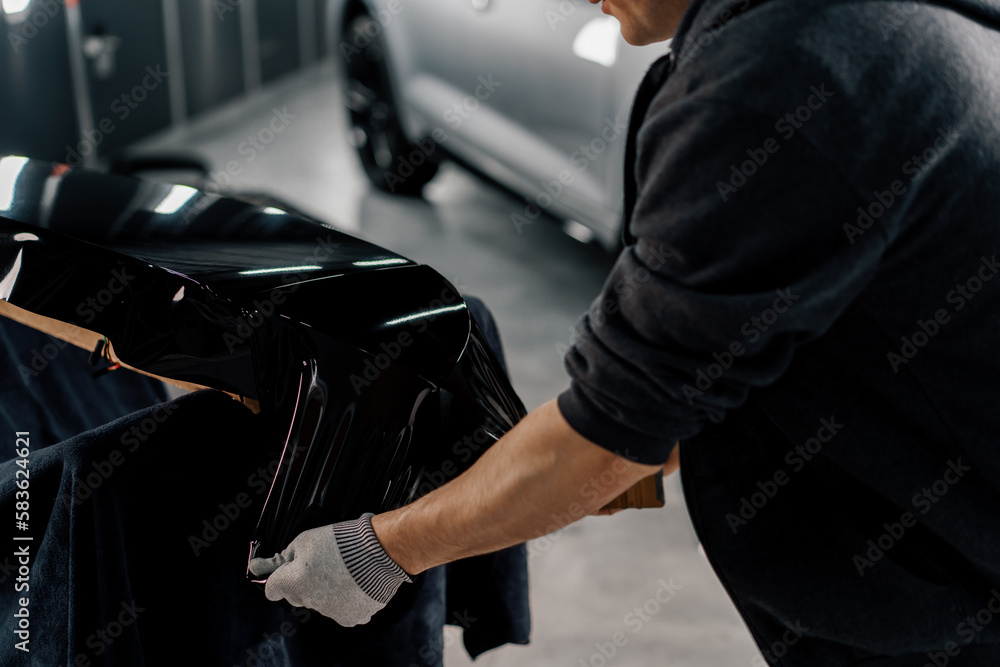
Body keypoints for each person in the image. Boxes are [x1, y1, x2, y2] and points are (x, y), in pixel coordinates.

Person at [251, 0, 1000, 663]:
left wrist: (377, 551)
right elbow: (705, 360)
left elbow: (614, 426)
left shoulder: (780, 77)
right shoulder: (875, 26)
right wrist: (579, 460)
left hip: (947, 594)